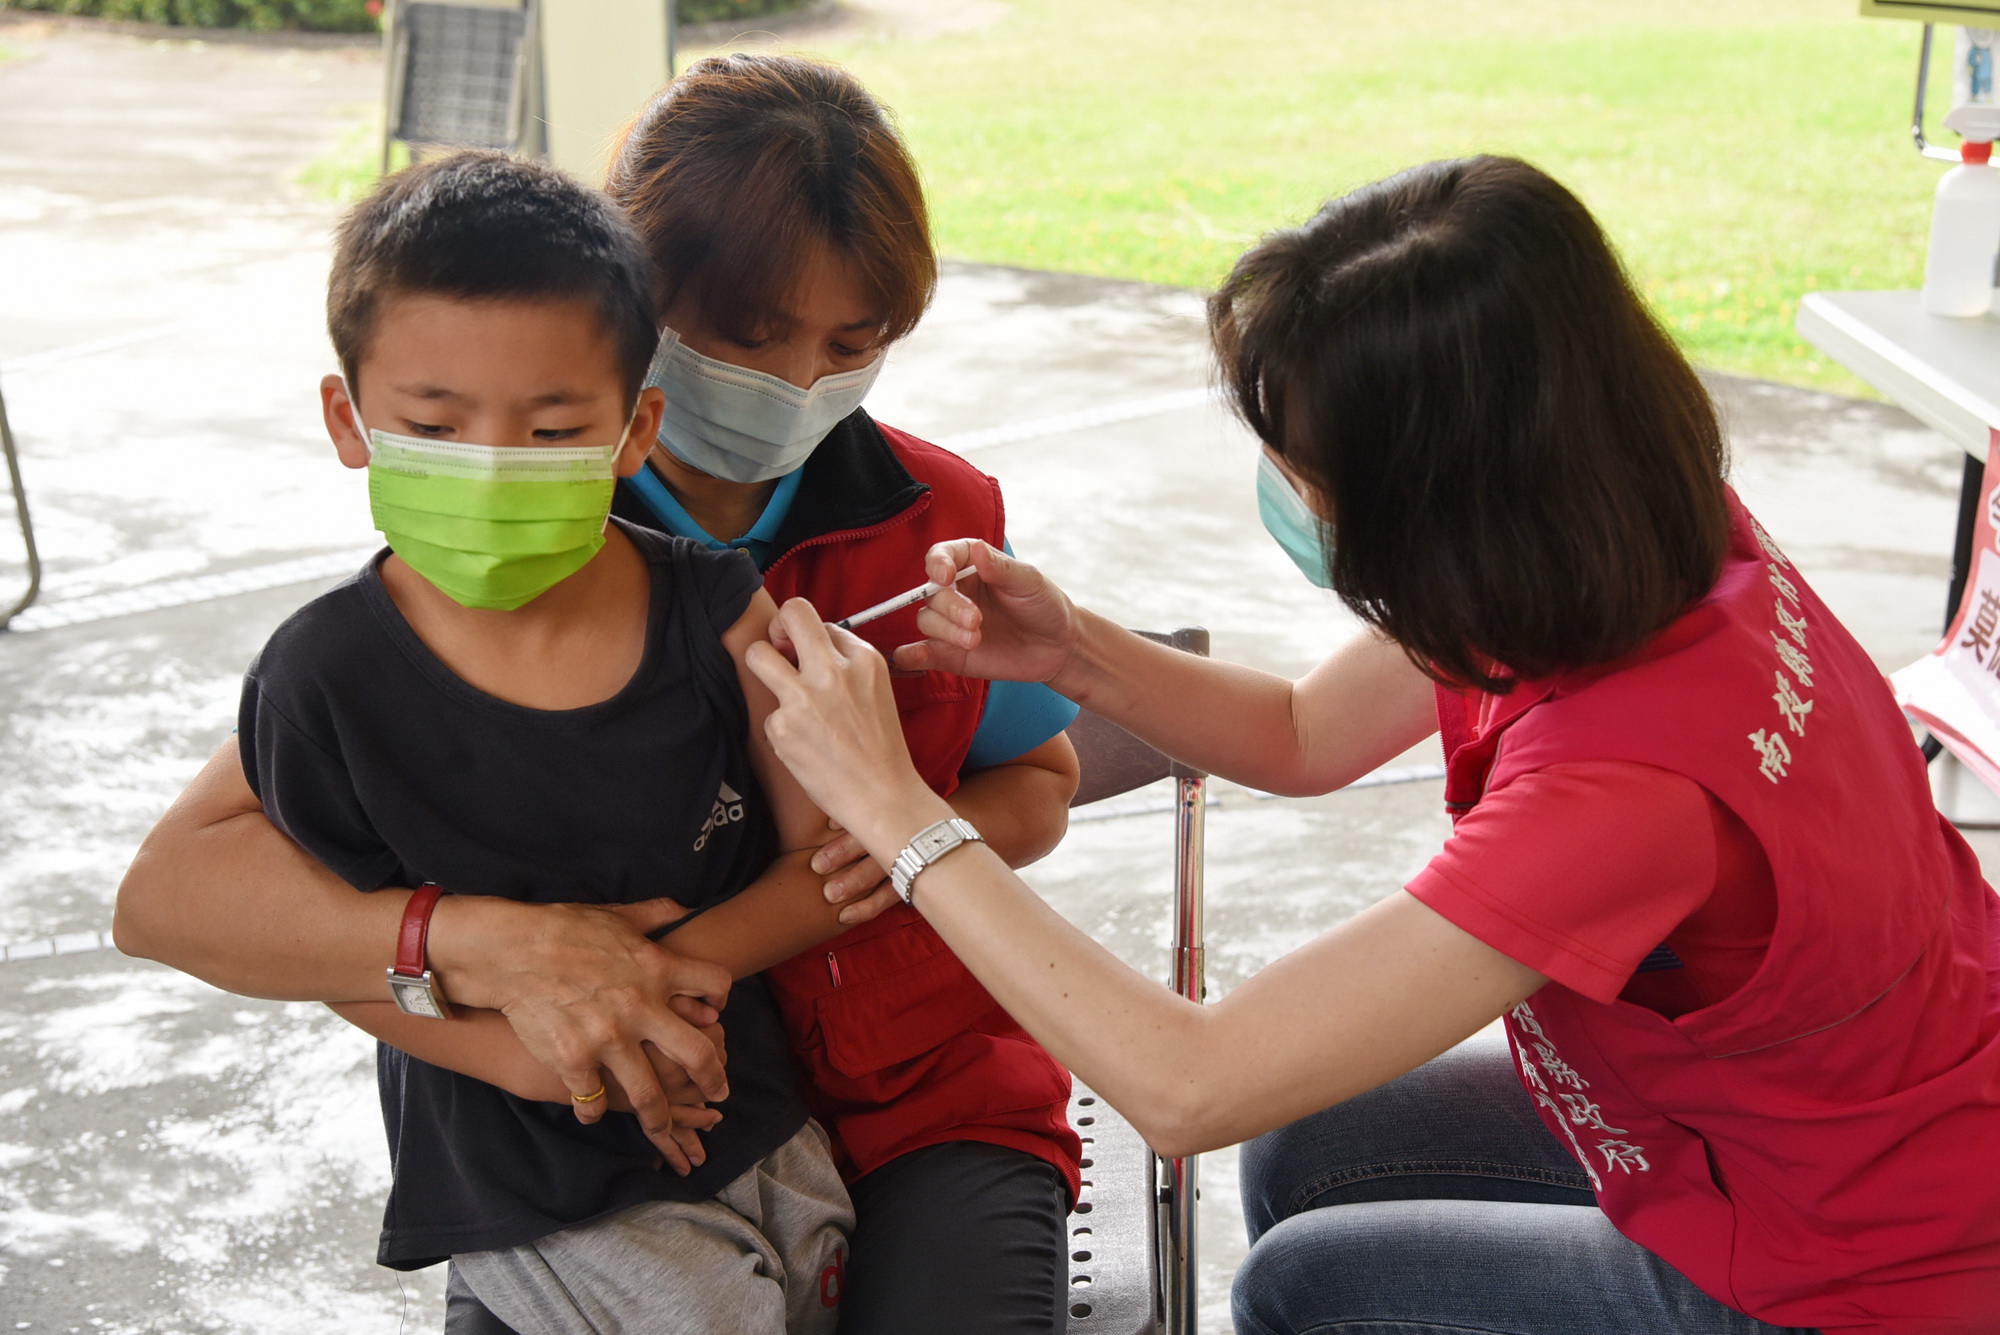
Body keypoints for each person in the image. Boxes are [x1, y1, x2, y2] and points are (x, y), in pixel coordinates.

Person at [742, 156, 2000, 1335]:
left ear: (1435, 502)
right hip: (1871, 1113)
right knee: (1309, 1143)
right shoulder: (1623, 533)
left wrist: (898, 811)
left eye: (1306, 471)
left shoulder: (1625, 792)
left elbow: (1185, 1086)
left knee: (1310, 1286)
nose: (1291, 495)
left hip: (1864, 1269)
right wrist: (1075, 651)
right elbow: (1304, 734)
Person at [115, 54, 1085, 1335]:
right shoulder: (518, 528)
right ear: (638, 303)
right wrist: (490, 951)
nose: (798, 382)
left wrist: (888, 836)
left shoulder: (934, 515)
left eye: (851, 345)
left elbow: (1037, 784)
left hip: (918, 1091)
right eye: (749, 338)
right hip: (591, 1135)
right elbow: (190, 890)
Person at [239, 151, 853, 1333]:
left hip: (752, 1115)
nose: (490, 465)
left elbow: (830, 862)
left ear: (633, 430)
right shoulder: (320, 682)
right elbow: (326, 949)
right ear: (348, 420)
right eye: (434, 423)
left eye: (553, 427)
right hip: (526, 1171)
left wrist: (653, 986)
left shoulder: (717, 609)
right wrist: (523, 1054)